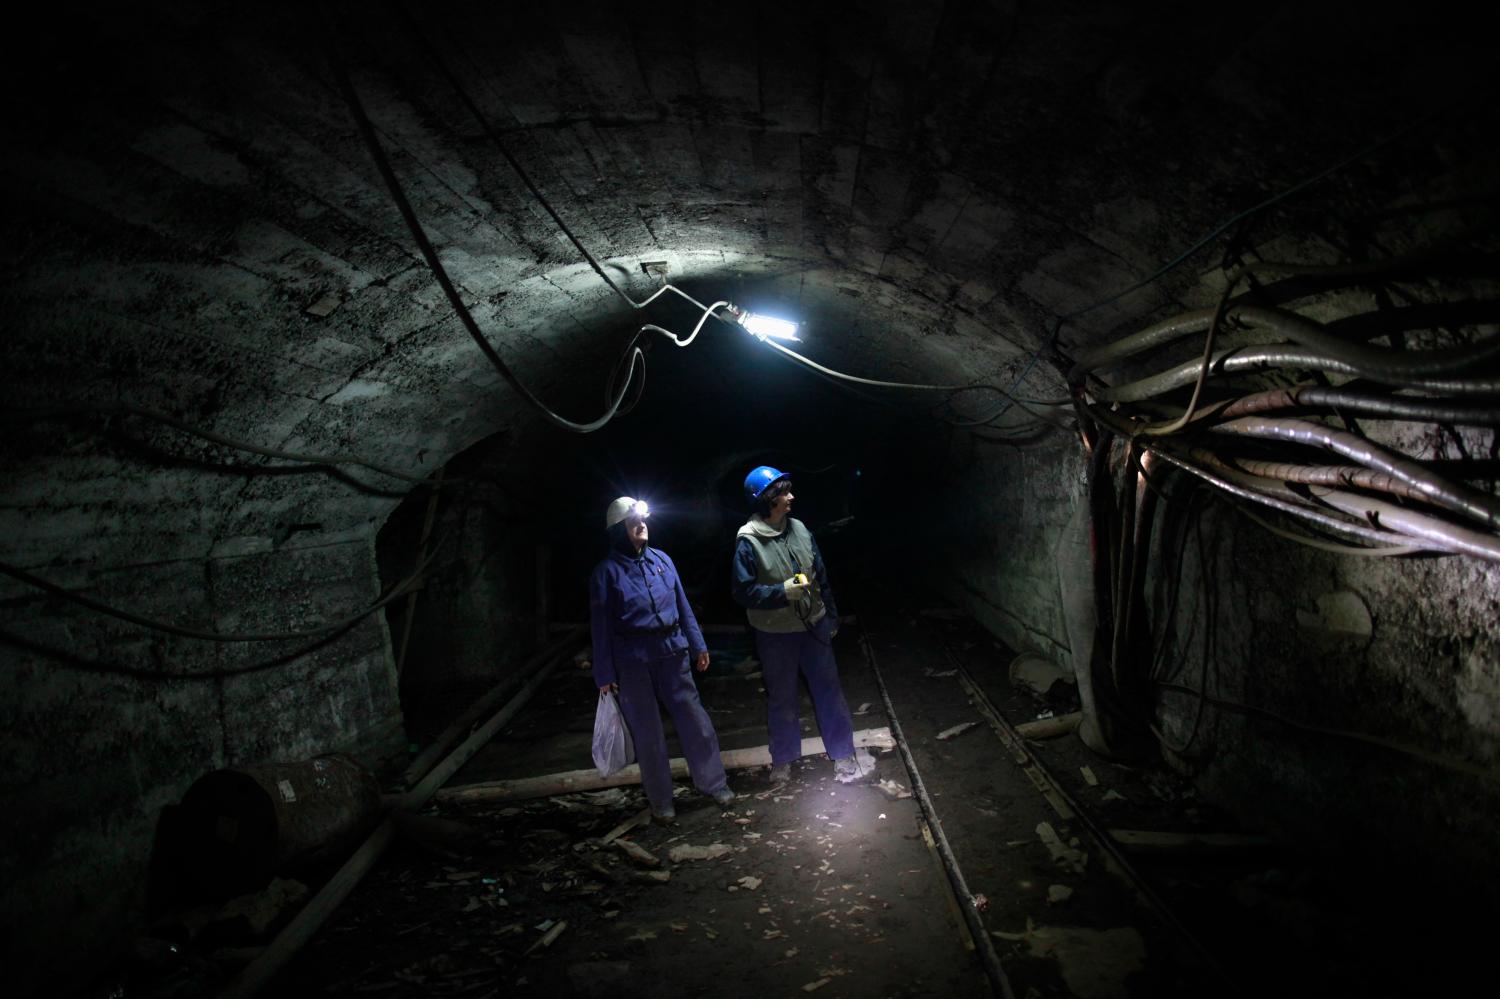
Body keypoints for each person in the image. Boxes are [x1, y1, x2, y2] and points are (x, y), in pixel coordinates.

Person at [589, 496, 734, 822]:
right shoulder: (606, 573)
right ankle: (662, 801)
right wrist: (604, 673)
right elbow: (600, 627)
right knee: (648, 733)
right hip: (632, 661)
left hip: (672, 652)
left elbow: (683, 606)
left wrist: (698, 644)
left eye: (643, 520)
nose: (642, 526)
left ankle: (714, 783)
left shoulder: (662, 561)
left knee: (696, 721)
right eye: (633, 523)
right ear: (617, 531)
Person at [730, 466, 861, 785]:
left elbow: (821, 576)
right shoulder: (748, 542)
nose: (791, 497)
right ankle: (784, 759)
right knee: (781, 697)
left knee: (829, 691)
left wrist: (830, 616)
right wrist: (780, 592)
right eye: (783, 493)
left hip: (813, 626)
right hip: (775, 634)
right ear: (767, 501)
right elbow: (742, 592)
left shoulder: (800, 529)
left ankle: (843, 753)